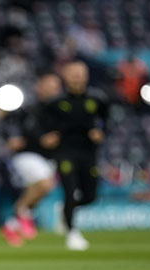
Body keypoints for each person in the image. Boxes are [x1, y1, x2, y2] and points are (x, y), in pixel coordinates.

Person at [40, 61, 108, 251]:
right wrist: (46, 137)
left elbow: (106, 120)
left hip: (88, 152)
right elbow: (42, 126)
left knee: (90, 196)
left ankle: (67, 210)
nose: (77, 76)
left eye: (80, 73)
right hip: (65, 152)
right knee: (70, 190)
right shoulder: (55, 103)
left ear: (86, 76)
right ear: (65, 76)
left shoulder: (97, 100)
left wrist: (101, 132)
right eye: (73, 73)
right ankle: (72, 233)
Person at [0, 72, 61, 246]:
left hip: (48, 157)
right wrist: (37, 138)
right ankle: (23, 214)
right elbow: (10, 127)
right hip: (27, 154)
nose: (53, 89)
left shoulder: (61, 109)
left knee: (40, 189)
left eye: (56, 85)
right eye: (50, 84)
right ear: (39, 86)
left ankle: (11, 225)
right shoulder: (28, 108)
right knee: (44, 184)